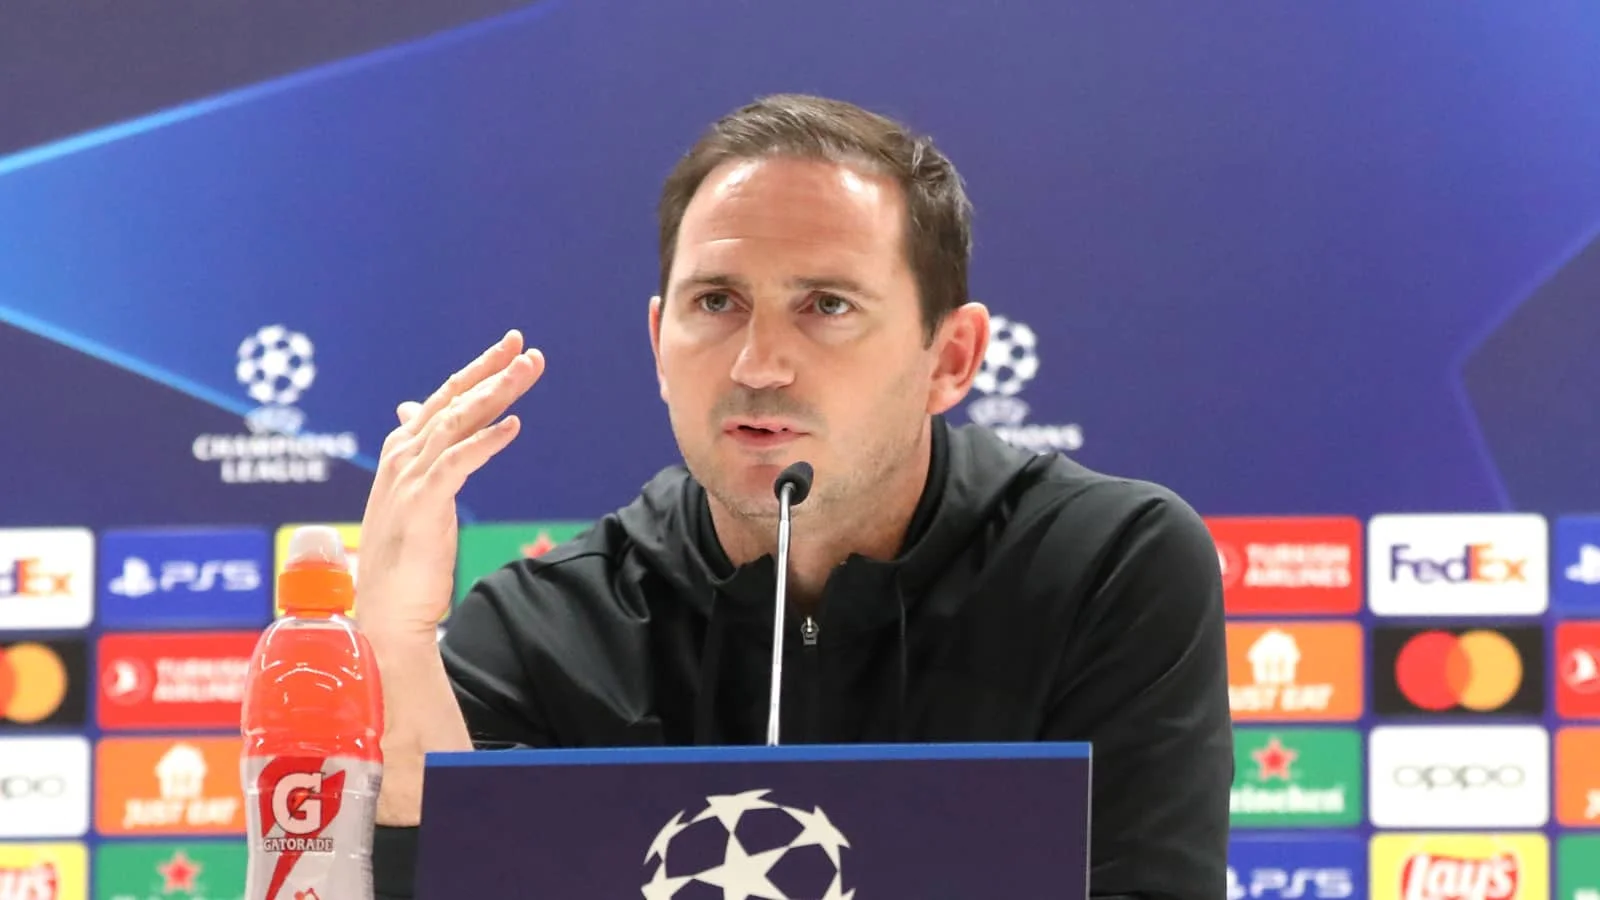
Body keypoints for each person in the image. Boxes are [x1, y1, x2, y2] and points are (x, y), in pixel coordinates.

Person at [356, 93, 1233, 899]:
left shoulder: (1103, 567)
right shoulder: (541, 631)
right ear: (659, 344)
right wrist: (396, 649)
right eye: (717, 301)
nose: (758, 365)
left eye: (827, 305)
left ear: (952, 358)